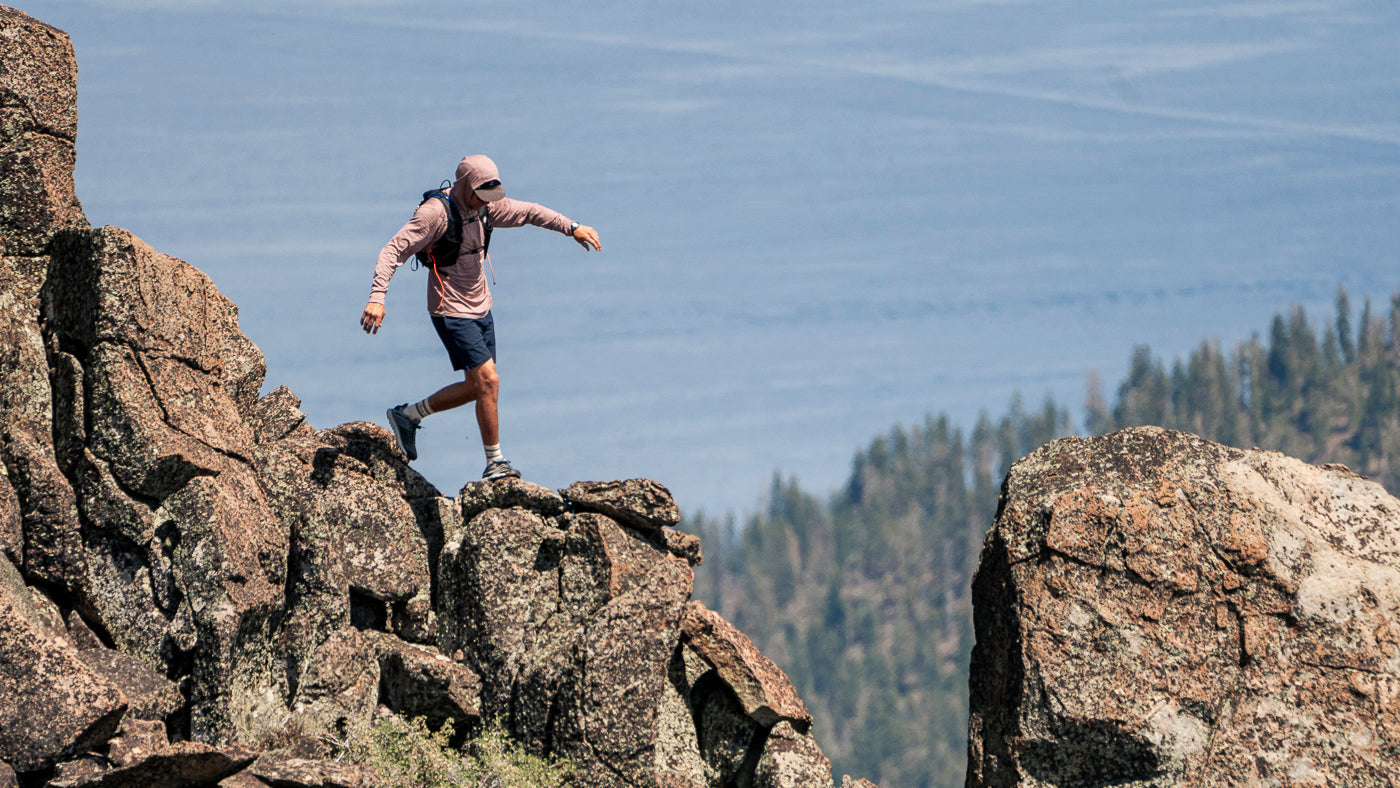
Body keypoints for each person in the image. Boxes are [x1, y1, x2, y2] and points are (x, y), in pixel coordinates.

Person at [360, 154, 601, 480]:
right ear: (464, 186)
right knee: (489, 381)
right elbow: (393, 250)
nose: (485, 202)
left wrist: (572, 227)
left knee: (478, 387)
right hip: (450, 309)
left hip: (482, 307)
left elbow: (531, 212)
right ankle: (495, 462)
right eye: (480, 195)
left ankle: (409, 415)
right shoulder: (435, 214)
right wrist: (377, 297)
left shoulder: (488, 207)